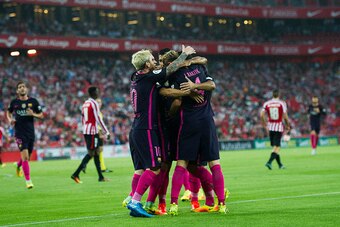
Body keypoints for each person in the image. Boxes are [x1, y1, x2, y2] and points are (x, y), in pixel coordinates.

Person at [126, 45, 196, 218]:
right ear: (145, 65)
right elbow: (170, 68)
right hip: (147, 128)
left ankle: (134, 200)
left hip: (139, 127)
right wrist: (185, 54)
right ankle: (135, 202)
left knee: (146, 168)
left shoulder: (137, 77)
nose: (154, 61)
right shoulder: (148, 77)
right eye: (151, 59)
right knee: (155, 167)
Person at [166, 54, 228, 215]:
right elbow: (212, 85)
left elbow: (177, 99)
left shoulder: (176, 75)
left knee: (182, 164)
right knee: (215, 164)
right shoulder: (200, 68)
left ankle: (173, 204)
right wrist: (195, 85)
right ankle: (221, 204)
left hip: (188, 122)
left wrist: (190, 88)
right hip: (207, 121)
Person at [6, 81, 44, 189]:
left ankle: (18, 166)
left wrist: (33, 114)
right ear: (17, 91)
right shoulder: (14, 102)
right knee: (26, 157)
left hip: (30, 133)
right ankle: (28, 181)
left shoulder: (33, 102)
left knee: (27, 157)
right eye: (19, 87)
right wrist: (10, 119)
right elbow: (8, 112)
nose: (22, 88)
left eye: (23, 87)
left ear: (26, 89)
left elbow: (41, 115)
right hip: (19, 133)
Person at [71, 86, 110, 183]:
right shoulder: (94, 103)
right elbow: (98, 119)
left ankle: (101, 177)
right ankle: (76, 174)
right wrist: (106, 131)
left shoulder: (85, 103)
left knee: (96, 152)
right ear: (93, 93)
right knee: (91, 153)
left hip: (87, 130)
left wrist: (84, 129)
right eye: (97, 92)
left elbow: (83, 118)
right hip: (92, 131)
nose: (98, 93)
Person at [261, 89, 291, 170]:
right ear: (279, 95)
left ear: (272, 95)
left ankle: (280, 165)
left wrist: (264, 123)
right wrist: (288, 125)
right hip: (278, 127)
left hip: (270, 127)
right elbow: (285, 116)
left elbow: (261, 114)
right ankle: (269, 162)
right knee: (277, 148)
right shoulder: (282, 103)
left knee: (275, 147)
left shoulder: (267, 103)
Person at [81, 98, 112, 173]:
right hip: (95, 132)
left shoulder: (99, 112)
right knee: (95, 151)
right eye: (98, 102)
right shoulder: (95, 111)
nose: (99, 104)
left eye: (100, 102)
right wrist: (100, 132)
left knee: (99, 150)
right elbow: (96, 122)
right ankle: (84, 164)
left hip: (98, 131)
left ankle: (102, 168)